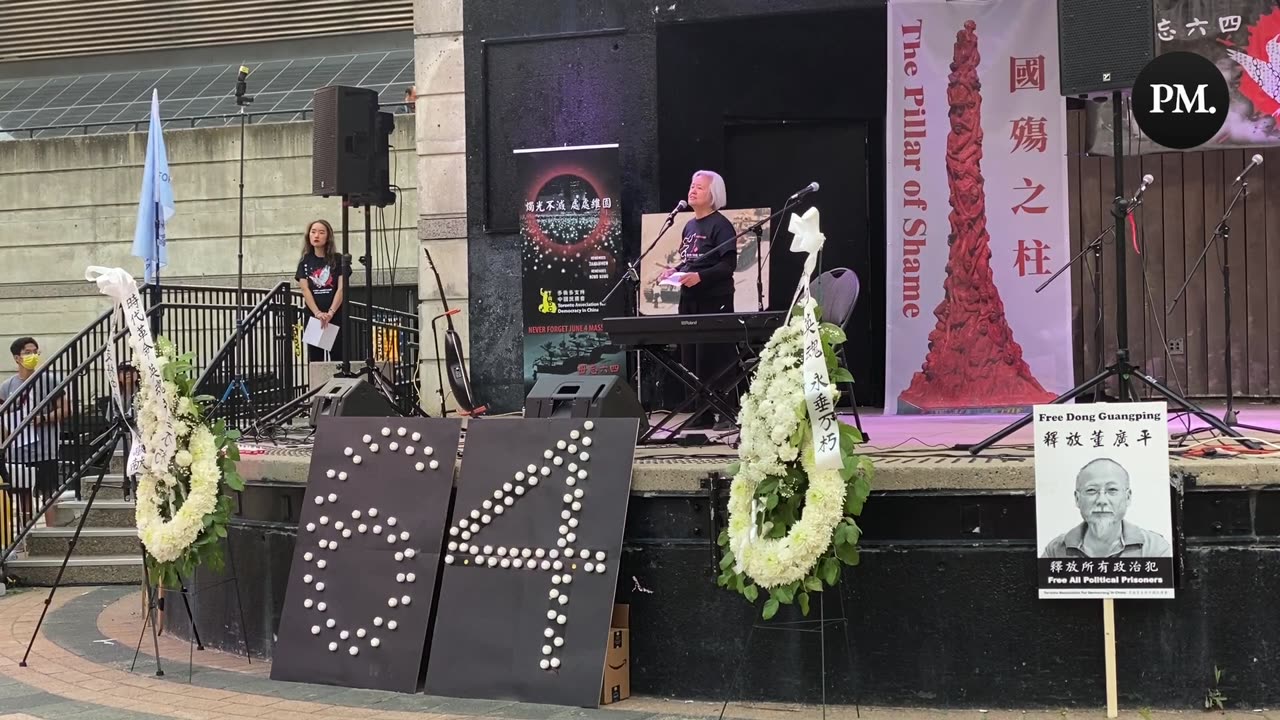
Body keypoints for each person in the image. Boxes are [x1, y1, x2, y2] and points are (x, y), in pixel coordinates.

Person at [660, 170, 738, 430]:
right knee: (691, 357)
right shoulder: (688, 225)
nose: (692, 191)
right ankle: (701, 412)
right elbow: (691, 260)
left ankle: (727, 412)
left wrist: (701, 277)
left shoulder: (721, 225)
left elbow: (728, 265)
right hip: (689, 298)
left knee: (715, 355)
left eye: (699, 188)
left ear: (713, 195)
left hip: (714, 299)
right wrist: (676, 271)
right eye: (692, 186)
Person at [1042, 457, 1172, 559]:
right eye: (1092, 490)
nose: (1102, 501)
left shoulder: (1155, 549)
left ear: (1128, 497)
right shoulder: (1055, 550)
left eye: (1112, 490)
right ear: (1077, 498)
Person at [0, 337, 68, 522]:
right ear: (17, 358)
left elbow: (65, 409)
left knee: (48, 493)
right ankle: (26, 535)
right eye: (27, 352)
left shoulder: (50, 380)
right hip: (18, 451)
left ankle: (51, 534)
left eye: (35, 352)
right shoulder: (7, 386)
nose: (32, 356)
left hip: (45, 448)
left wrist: (43, 418)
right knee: (22, 493)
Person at [296, 219, 350, 362]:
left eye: (321, 232)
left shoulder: (338, 259)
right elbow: (305, 289)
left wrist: (331, 312)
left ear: (328, 236)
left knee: (338, 358)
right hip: (314, 317)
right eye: (313, 232)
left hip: (336, 315)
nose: (316, 236)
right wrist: (318, 313)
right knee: (316, 359)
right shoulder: (305, 261)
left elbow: (341, 288)